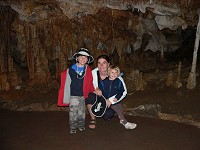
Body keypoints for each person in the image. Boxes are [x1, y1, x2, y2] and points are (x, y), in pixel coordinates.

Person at [86, 55, 136, 129]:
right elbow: (87, 85)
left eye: (104, 63)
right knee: (89, 97)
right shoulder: (93, 73)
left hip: (111, 99)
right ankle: (93, 118)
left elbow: (124, 91)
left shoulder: (116, 76)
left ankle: (115, 116)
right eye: (99, 63)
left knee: (107, 115)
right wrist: (95, 89)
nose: (101, 65)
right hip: (100, 97)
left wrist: (111, 100)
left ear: (108, 64)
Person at [57, 48, 94, 134]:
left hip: (82, 95)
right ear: (77, 58)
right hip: (73, 95)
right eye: (81, 57)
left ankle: (81, 125)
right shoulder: (71, 70)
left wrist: (92, 90)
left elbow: (89, 81)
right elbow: (66, 81)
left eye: (85, 57)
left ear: (87, 60)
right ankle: (73, 127)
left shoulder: (87, 69)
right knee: (73, 112)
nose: (83, 59)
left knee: (81, 112)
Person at [101, 65, 137, 129]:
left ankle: (121, 119)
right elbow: (101, 92)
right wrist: (105, 100)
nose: (114, 74)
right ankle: (125, 122)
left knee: (120, 109)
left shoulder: (119, 81)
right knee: (118, 110)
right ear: (108, 72)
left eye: (116, 73)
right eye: (112, 72)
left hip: (116, 99)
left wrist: (117, 97)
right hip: (108, 101)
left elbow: (121, 90)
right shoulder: (104, 82)